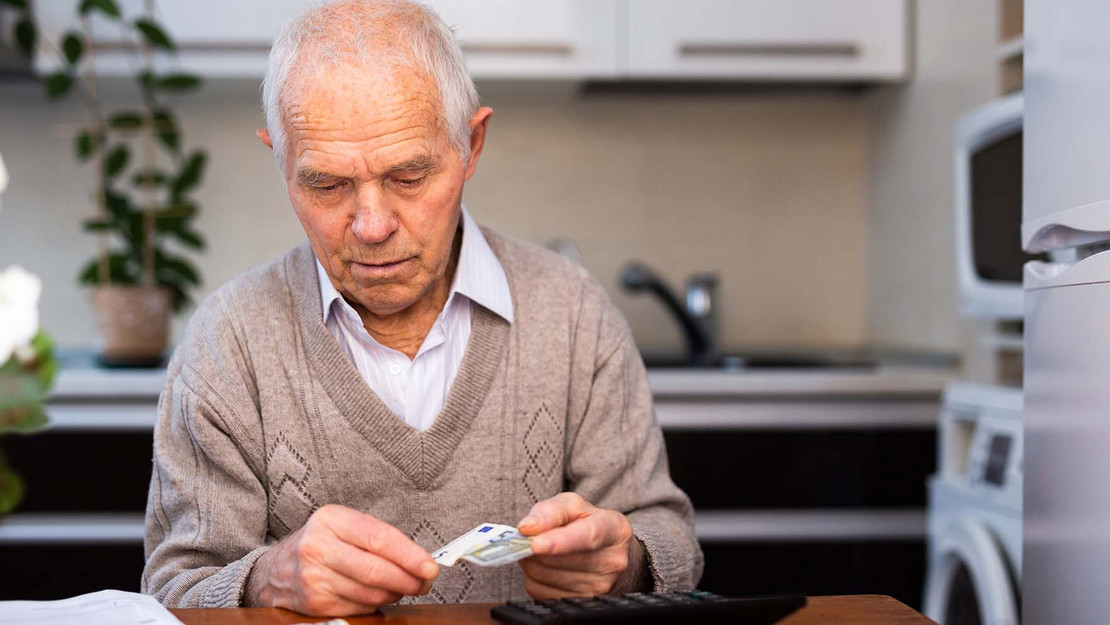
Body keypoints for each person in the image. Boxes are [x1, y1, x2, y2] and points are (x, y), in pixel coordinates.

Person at [141, 0, 702, 616]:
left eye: (409, 176)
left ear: (472, 145)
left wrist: (625, 563)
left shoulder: (573, 314)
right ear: (279, 161)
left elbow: (670, 539)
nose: (374, 226)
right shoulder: (227, 344)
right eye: (327, 184)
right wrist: (266, 580)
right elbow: (172, 591)